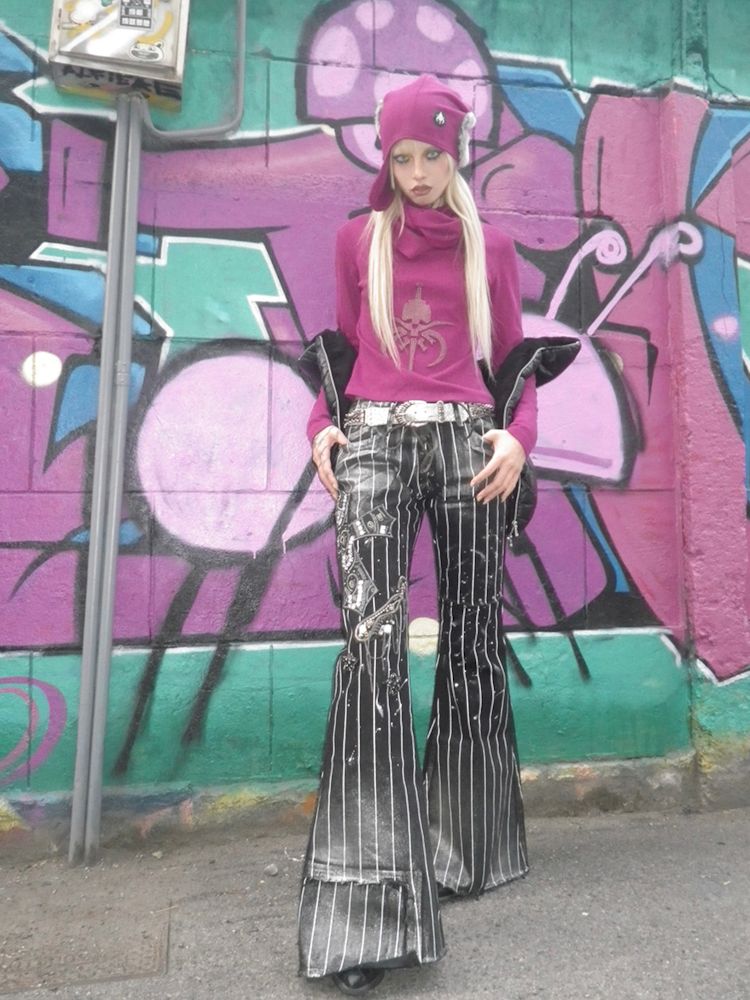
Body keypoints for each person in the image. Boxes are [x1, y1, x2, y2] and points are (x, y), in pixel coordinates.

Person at [298, 74, 538, 996]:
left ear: (455, 152)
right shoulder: (357, 240)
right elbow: (343, 347)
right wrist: (321, 425)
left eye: (431, 156)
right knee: (370, 647)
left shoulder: (493, 249)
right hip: (373, 440)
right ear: (386, 158)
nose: (417, 174)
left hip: (471, 445)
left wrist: (518, 438)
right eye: (401, 157)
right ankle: (363, 908)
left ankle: (468, 847)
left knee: (473, 634)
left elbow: (512, 361)